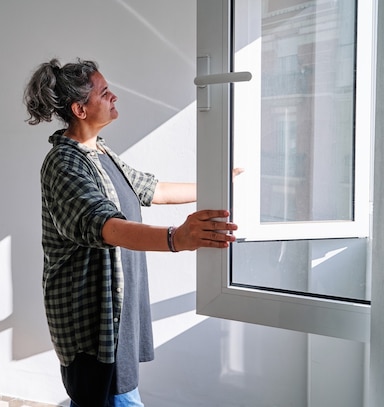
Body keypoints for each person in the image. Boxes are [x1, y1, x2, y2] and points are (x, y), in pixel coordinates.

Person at [23, 58, 237, 407]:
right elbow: (106, 226)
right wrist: (176, 239)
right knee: (113, 397)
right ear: (80, 108)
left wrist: (221, 181)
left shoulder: (101, 151)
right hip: (90, 321)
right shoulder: (64, 164)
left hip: (116, 311)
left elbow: (154, 190)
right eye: (105, 93)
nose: (114, 97)